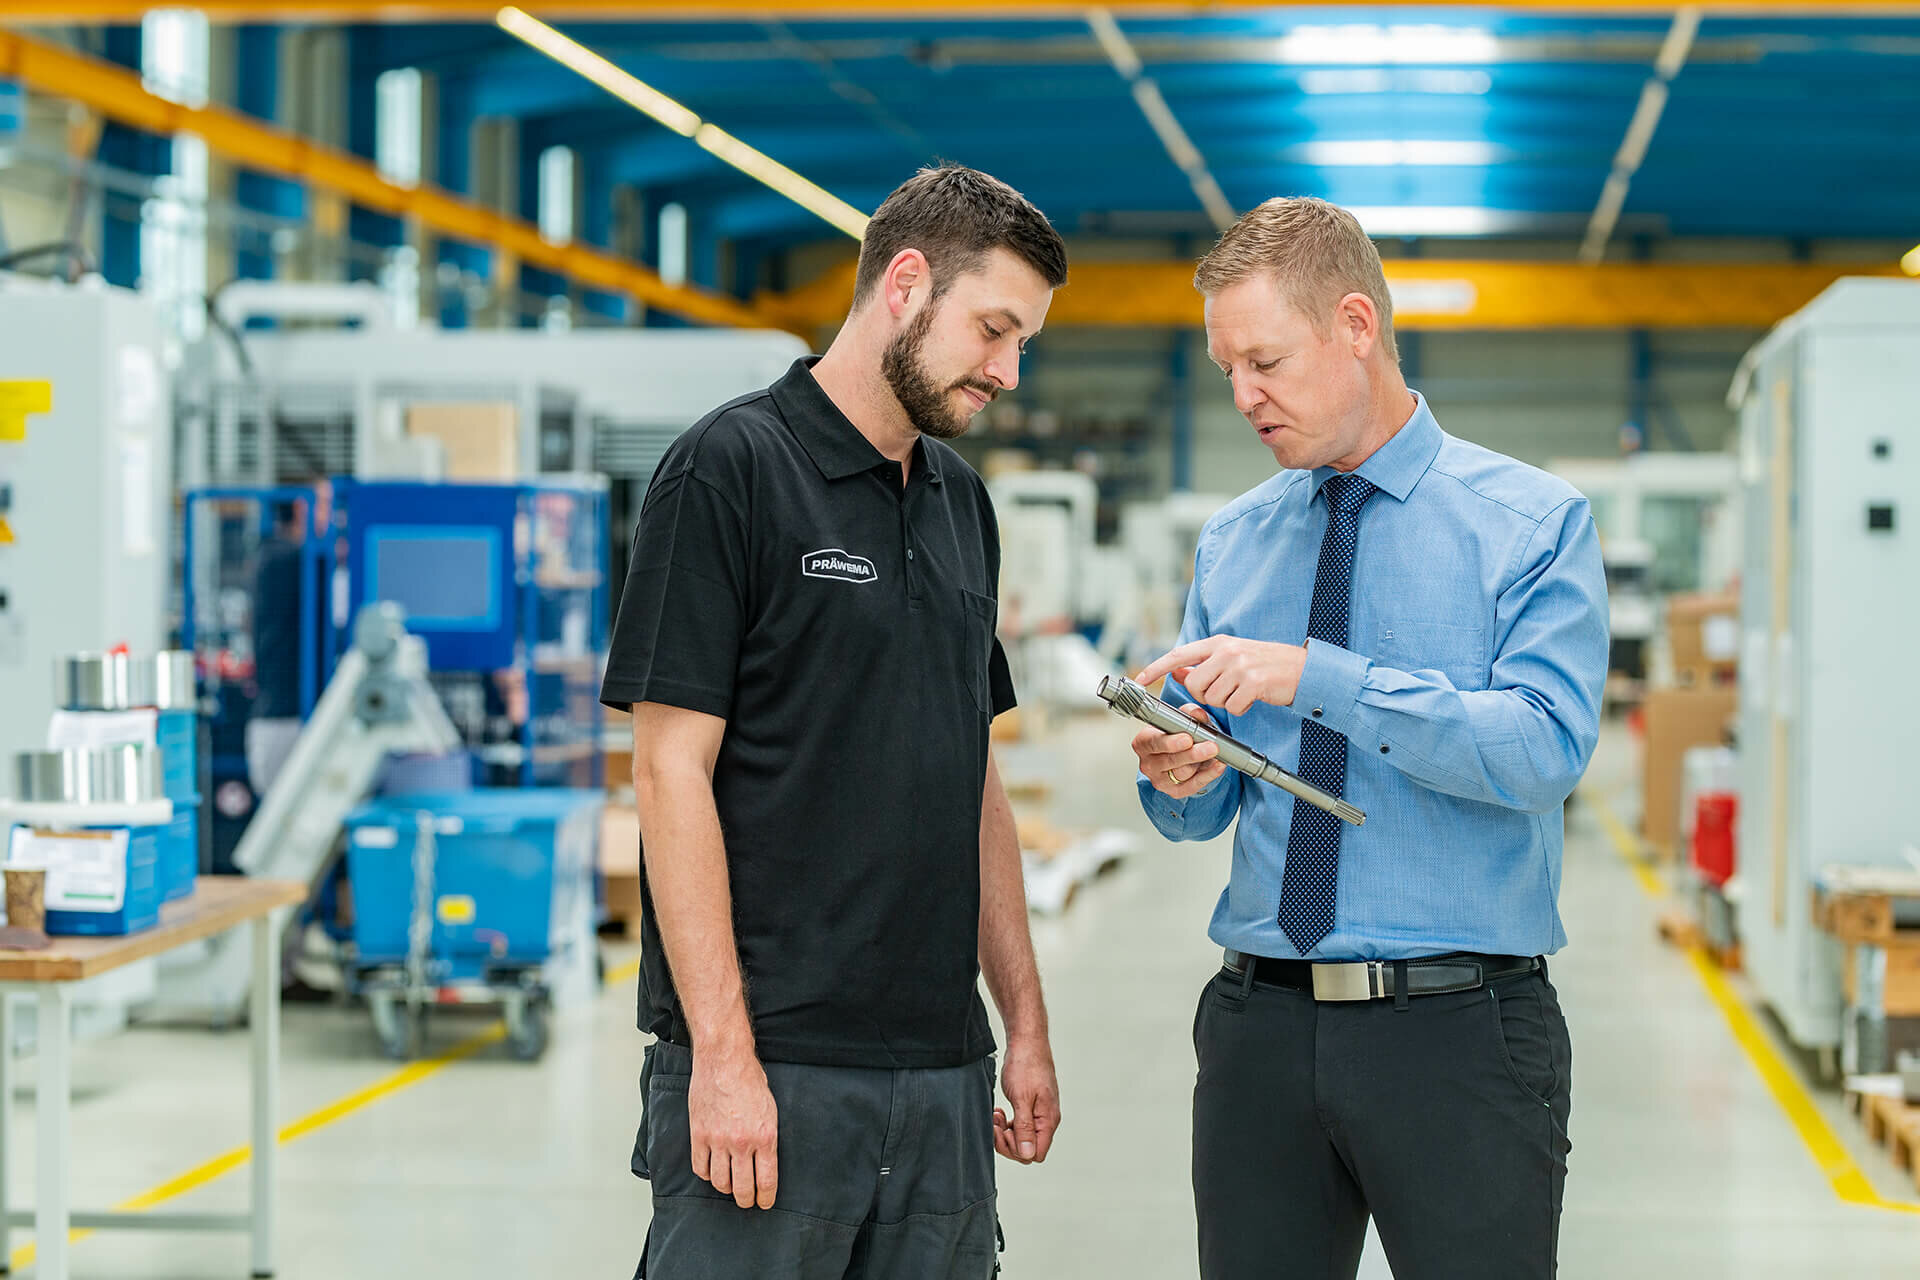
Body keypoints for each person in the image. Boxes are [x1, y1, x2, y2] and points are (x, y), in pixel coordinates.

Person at [599, 164, 1068, 1280]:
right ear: (906, 282)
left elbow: (976, 780)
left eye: (1023, 343)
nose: (1007, 371)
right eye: (994, 329)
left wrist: (1025, 1020)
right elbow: (670, 770)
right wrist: (721, 1055)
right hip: (773, 1067)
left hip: (941, 1074)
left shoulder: (962, 504)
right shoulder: (730, 469)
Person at [1129, 197, 1608, 1280]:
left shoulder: (1530, 525)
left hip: (1462, 1031)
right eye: (1226, 370)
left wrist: (1320, 677)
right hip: (1259, 1025)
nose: (1245, 396)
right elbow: (1200, 806)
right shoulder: (1236, 538)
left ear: (1355, 324)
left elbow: (1543, 751)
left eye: (1265, 360)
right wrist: (1180, 769)